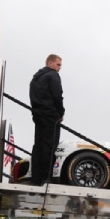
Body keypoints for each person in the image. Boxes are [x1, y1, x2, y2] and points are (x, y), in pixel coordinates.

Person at [29, 54, 65, 186]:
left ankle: (35, 178)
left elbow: (32, 97)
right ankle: (47, 177)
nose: (60, 68)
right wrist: (61, 113)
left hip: (38, 115)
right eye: (58, 64)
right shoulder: (53, 75)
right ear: (50, 63)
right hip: (50, 116)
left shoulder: (35, 78)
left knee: (38, 146)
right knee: (49, 146)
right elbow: (57, 96)